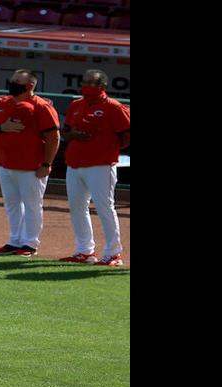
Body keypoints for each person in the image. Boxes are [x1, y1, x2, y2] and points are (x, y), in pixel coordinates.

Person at [0, 69, 59, 257]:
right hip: (6, 164)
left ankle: (30, 244)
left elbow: (53, 137)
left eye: (17, 81)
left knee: (32, 205)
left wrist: (46, 164)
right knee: (12, 204)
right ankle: (14, 240)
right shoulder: (2, 103)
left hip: (32, 166)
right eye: (12, 80)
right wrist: (1, 128)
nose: (12, 84)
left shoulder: (42, 106)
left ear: (30, 85)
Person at [59, 69, 130, 267]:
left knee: (104, 208)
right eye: (84, 81)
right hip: (74, 163)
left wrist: (108, 147)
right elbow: (66, 132)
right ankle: (84, 251)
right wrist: (74, 135)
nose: (87, 85)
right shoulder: (76, 105)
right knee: (77, 207)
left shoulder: (114, 107)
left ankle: (114, 254)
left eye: (92, 82)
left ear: (102, 86)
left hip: (101, 165)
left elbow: (126, 134)